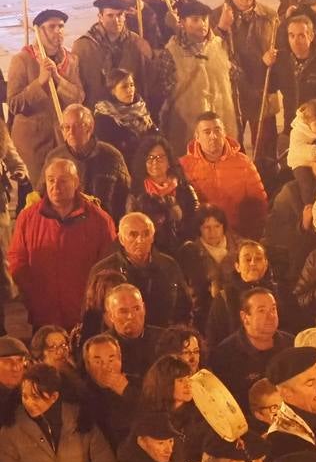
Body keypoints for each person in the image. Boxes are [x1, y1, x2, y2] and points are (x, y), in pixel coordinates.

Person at [7, 158, 116, 329]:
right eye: (51, 180)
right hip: (43, 314)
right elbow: (16, 259)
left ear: (76, 182)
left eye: (63, 180)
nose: (55, 186)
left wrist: (93, 299)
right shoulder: (28, 218)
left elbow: (109, 266)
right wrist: (33, 294)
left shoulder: (100, 220)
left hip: (87, 315)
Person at [7, 9, 85, 178]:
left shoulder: (71, 60)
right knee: (34, 197)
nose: (58, 30)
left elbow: (79, 98)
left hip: (62, 142)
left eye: (61, 26)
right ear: (39, 30)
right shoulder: (21, 60)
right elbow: (14, 104)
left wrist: (58, 79)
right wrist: (40, 82)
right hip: (32, 145)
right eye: (51, 26)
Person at [212, 0, 280, 158]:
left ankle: (268, 183)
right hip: (233, 95)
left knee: (266, 148)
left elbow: (281, 50)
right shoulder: (216, 16)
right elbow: (210, 53)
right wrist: (221, 28)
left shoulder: (270, 17)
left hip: (262, 93)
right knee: (233, 149)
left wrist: (270, 61)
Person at [161, 0, 239, 156]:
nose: (202, 24)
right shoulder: (171, 52)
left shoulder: (220, 44)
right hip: (188, 126)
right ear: (182, 22)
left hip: (221, 121)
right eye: (195, 20)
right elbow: (165, 92)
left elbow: (233, 79)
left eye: (205, 19)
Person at [88, 212, 192, 328]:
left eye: (146, 234)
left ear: (152, 237)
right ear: (121, 239)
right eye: (133, 235)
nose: (140, 240)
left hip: (163, 338)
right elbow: (92, 316)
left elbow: (185, 307)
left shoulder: (168, 265)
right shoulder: (104, 270)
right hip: (118, 341)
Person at [179, 112, 268, 240]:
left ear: (224, 133)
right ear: (197, 137)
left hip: (237, 235)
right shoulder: (184, 166)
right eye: (207, 132)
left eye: (217, 130)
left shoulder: (243, 162)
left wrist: (250, 237)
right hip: (200, 237)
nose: (213, 136)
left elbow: (259, 203)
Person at [207, 287, 295, 408]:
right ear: (245, 317)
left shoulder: (291, 344)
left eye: (273, 309)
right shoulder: (224, 355)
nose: (271, 316)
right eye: (262, 311)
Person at [47, 103, 133, 219]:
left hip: (104, 227)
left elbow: (127, 196)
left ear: (90, 127)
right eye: (66, 127)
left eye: (77, 126)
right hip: (66, 228)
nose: (71, 132)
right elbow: (42, 196)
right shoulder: (55, 158)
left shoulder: (111, 156)